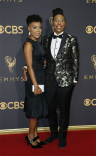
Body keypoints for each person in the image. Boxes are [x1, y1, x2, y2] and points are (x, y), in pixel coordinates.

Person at [23, 8, 79, 148]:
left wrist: (74, 80)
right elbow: (36, 58)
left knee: (64, 110)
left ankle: (62, 136)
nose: (59, 22)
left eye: (62, 20)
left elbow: (76, 61)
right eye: (56, 20)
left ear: (65, 23)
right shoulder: (45, 39)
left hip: (66, 82)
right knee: (50, 109)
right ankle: (53, 133)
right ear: (52, 22)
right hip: (48, 82)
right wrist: (24, 68)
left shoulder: (72, 39)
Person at [23, 14, 48, 148]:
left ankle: (36, 135)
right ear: (29, 28)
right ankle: (30, 137)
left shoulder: (37, 43)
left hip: (41, 79)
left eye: (39, 27)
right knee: (34, 112)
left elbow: (36, 62)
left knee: (37, 110)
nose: (38, 30)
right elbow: (30, 65)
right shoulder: (28, 44)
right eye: (34, 27)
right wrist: (36, 85)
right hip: (34, 81)